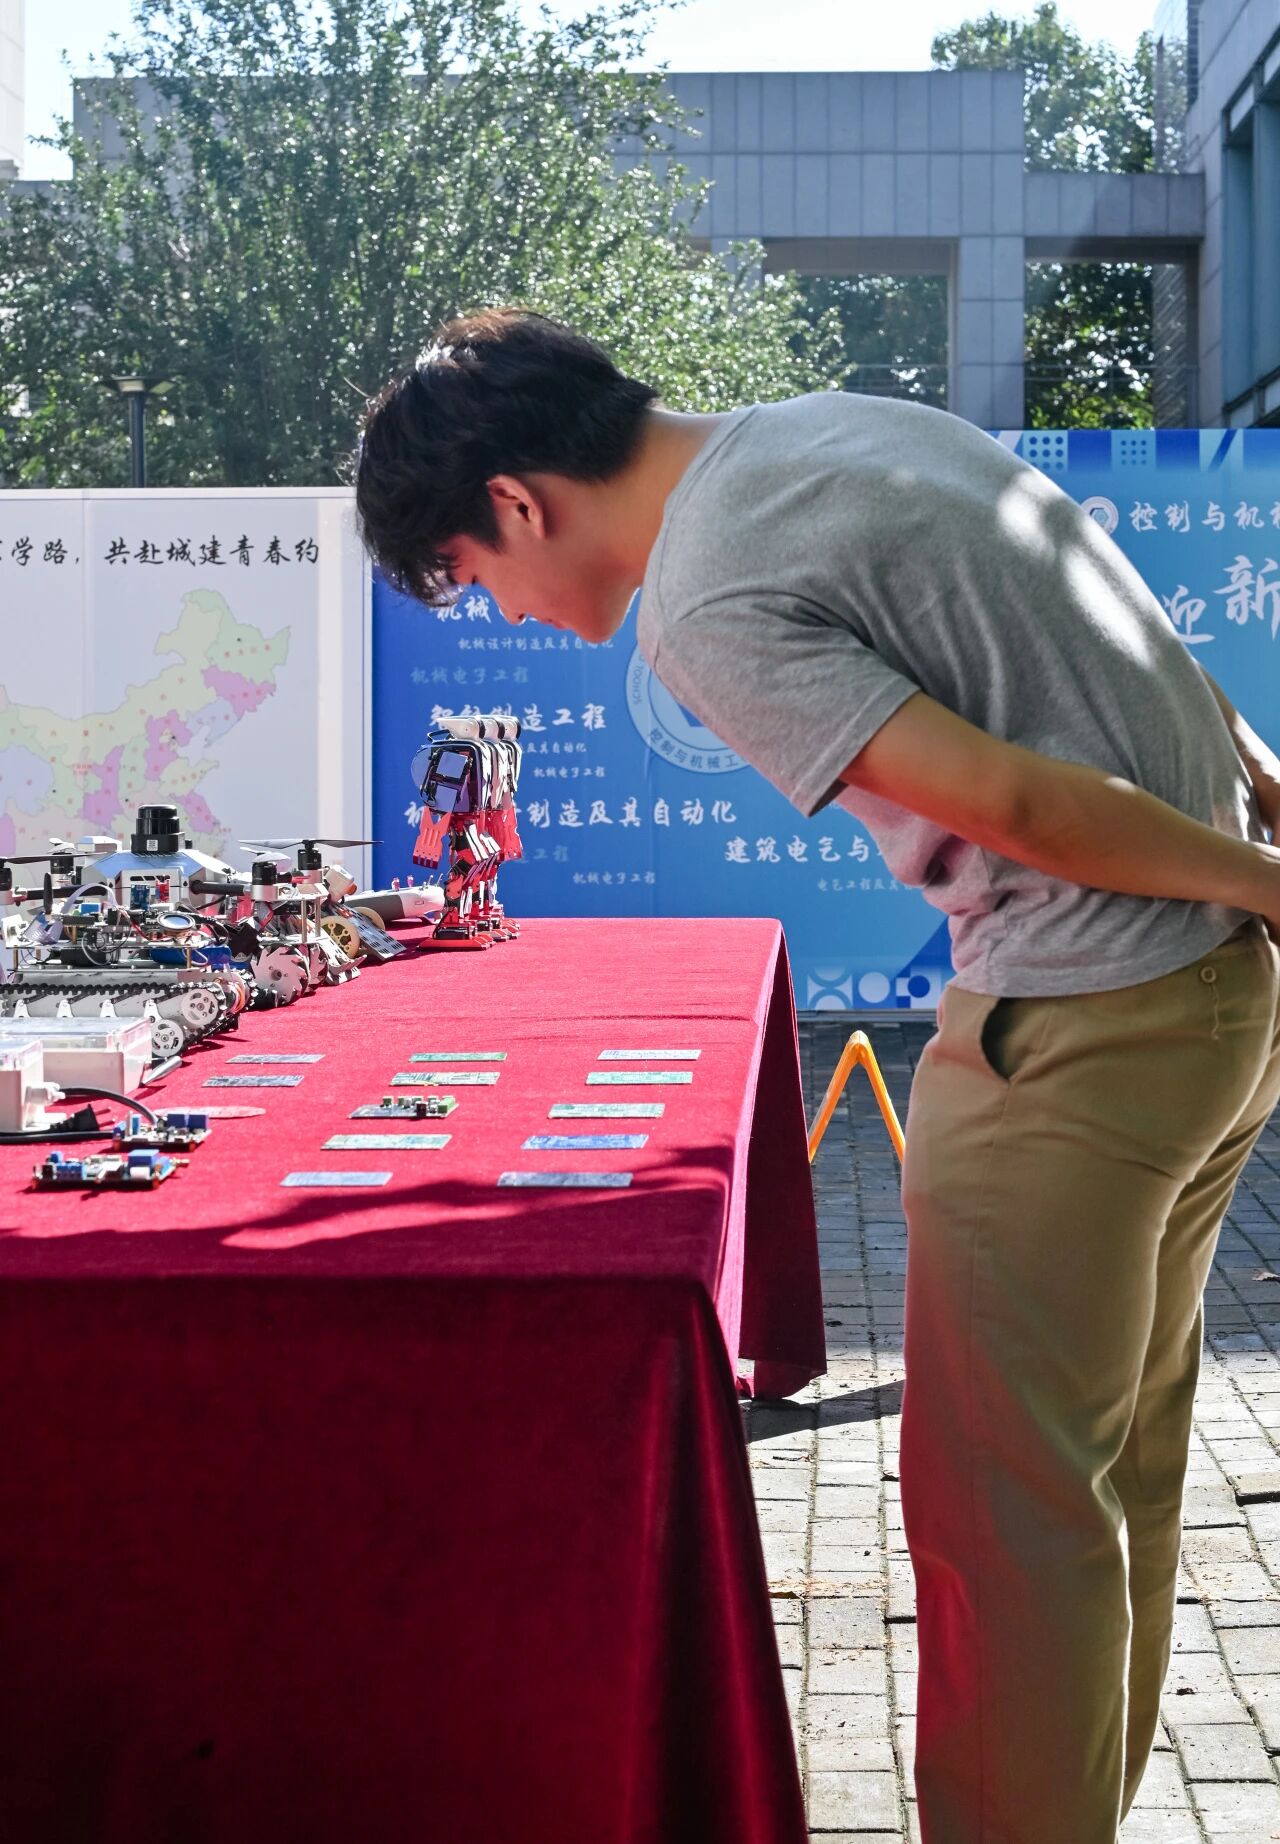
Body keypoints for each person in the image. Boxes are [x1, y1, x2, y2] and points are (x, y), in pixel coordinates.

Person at [354, 306, 1280, 1843]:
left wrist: (1269, 881)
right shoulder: (846, 424)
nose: (499, 610)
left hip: (1079, 1028)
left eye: (470, 573)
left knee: (1007, 1525)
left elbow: (1011, 802)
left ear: (517, 501)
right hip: (1213, 1010)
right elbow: (1146, 650)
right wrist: (1255, 857)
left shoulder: (704, 596)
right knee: (1112, 1476)